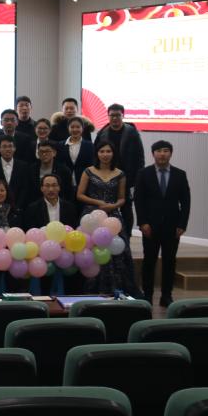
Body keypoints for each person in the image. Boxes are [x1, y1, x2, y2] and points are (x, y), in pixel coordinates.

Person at [135, 140, 191, 307]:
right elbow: (139, 200)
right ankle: (147, 295)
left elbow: (186, 202)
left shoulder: (180, 174)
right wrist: (142, 222)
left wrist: (182, 225)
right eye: (159, 151)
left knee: (169, 261)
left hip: (172, 227)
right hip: (150, 226)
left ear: (171, 154)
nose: (162, 154)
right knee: (149, 261)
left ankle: (166, 295)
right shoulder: (143, 173)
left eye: (166, 151)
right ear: (153, 154)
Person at [77, 140, 136, 296]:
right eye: (102, 151)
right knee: (92, 252)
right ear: (97, 153)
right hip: (92, 217)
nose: (105, 154)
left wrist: (113, 205)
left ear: (113, 154)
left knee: (118, 253)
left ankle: (116, 290)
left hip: (113, 218)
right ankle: (91, 291)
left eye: (108, 151)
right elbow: (80, 194)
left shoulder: (120, 174)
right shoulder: (88, 171)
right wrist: (98, 203)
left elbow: (122, 198)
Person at [95, 103, 145, 236]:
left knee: (126, 208)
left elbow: (140, 157)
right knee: (106, 208)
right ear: (108, 116)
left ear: (123, 115)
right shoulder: (102, 133)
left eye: (118, 115)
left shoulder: (132, 132)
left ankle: (127, 236)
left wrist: (138, 178)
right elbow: (95, 155)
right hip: (106, 176)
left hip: (127, 178)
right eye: (112, 115)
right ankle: (107, 237)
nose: (115, 118)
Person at [0, 135, 32, 210]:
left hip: (19, 208)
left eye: (10, 146)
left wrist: (18, 207)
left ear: (14, 148)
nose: (7, 149)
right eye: (4, 146)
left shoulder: (23, 166)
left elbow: (25, 188)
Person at [28, 142, 74, 208]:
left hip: (59, 205)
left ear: (54, 153)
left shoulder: (64, 170)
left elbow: (69, 192)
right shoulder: (32, 169)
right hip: (36, 206)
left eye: (47, 151)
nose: (44, 154)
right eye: (41, 152)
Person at [62, 116, 95, 186]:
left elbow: (91, 165)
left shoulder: (90, 145)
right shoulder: (61, 145)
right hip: (65, 182)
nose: (75, 129)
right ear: (68, 128)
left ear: (82, 128)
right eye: (72, 127)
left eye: (78, 127)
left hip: (84, 182)